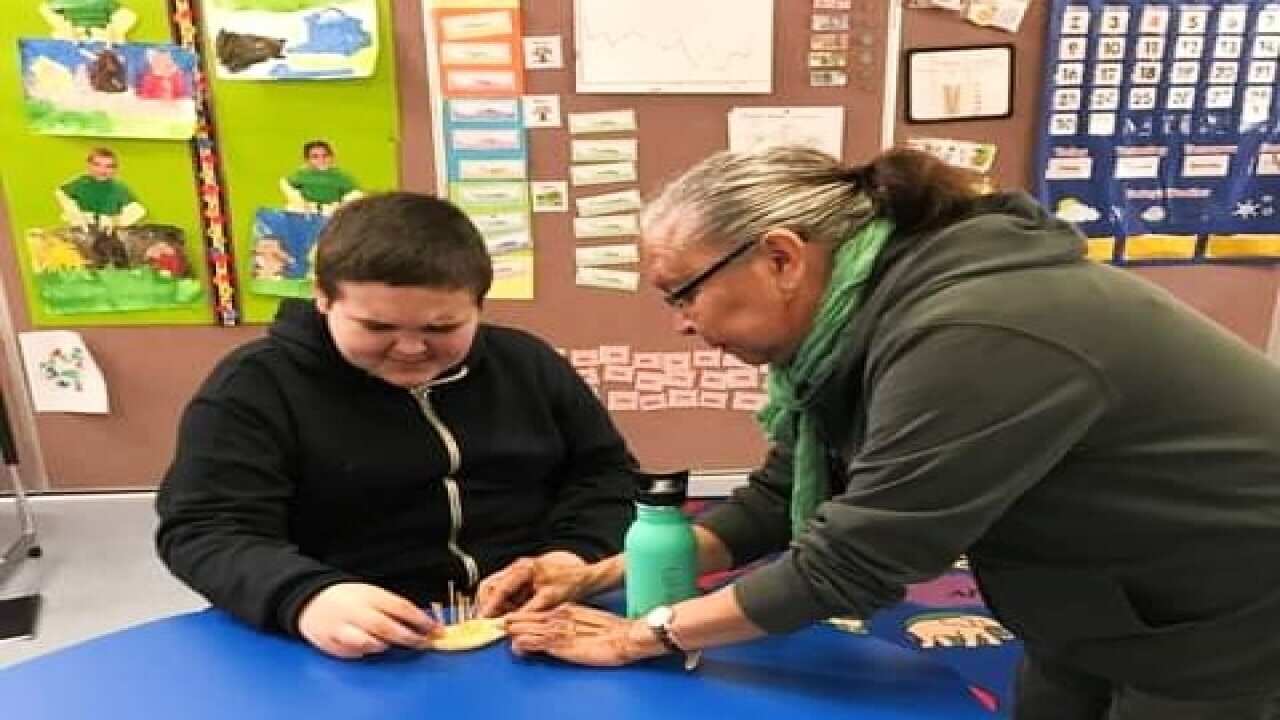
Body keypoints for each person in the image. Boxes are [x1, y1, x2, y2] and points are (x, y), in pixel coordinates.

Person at [485, 146, 1280, 719]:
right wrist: (599, 575)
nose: (685, 326)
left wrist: (642, 636)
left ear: (780, 259)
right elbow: (778, 497)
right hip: (1088, 596)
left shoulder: (975, 328)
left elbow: (854, 563)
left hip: (1224, 604)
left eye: (681, 294)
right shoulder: (861, 327)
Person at [156, 192, 635, 660]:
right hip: (357, 640)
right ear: (322, 299)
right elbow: (205, 528)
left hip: (539, 627)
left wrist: (573, 556)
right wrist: (306, 596)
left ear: (479, 306)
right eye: (377, 328)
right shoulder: (257, 385)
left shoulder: (527, 364)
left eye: (442, 329)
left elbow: (606, 475)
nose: (410, 349)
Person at [55, 148, 146, 233]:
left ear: (115, 169)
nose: (102, 170)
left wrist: (116, 221)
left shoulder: (118, 188)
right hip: (81, 231)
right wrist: (77, 217)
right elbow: (62, 195)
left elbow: (137, 211)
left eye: (109, 166)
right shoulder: (78, 184)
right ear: (88, 165)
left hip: (108, 233)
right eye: (97, 165)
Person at [280, 140, 364, 216]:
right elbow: (286, 185)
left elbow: (355, 194)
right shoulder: (301, 174)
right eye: (315, 157)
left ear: (332, 157)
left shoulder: (340, 176)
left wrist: (342, 207)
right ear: (307, 160)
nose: (321, 160)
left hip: (331, 213)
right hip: (305, 212)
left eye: (325, 156)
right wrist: (299, 202)